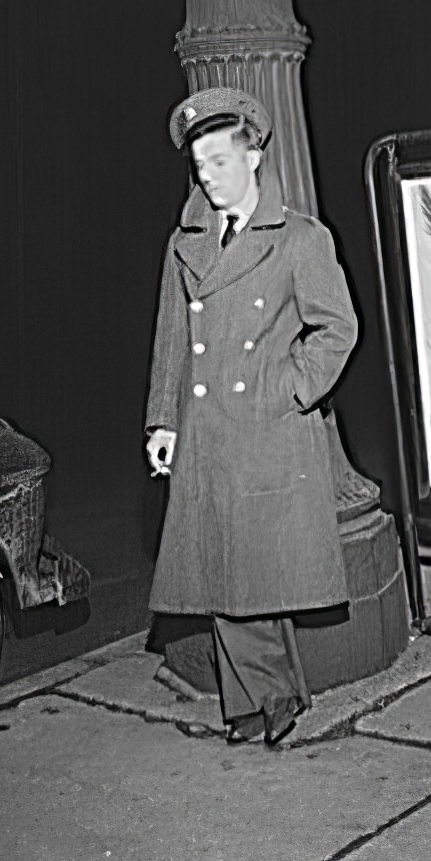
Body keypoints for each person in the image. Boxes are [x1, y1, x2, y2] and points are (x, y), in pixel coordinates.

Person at [145, 86, 357, 746]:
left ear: (254, 156)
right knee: (219, 570)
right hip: (206, 430)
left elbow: (338, 329)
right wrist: (162, 421)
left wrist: (288, 389)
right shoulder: (186, 244)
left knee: (252, 571)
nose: (208, 176)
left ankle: (260, 700)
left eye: (219, 160)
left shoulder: (300, 240)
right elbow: (172, 336)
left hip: (266, 427)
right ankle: (261, 701)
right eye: (199, 164)